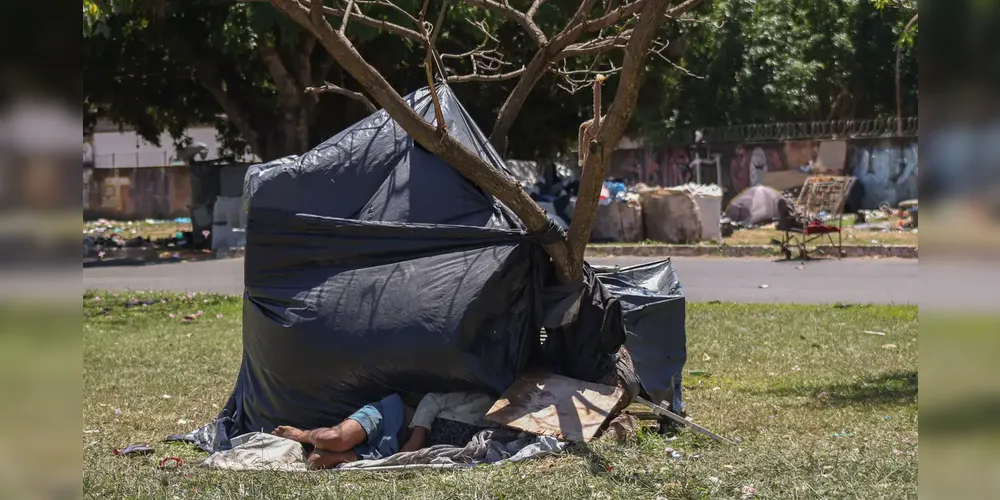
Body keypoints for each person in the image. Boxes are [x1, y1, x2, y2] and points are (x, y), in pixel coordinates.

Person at [272, 391, 496, 469]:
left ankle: (342, 455)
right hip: (390, 415)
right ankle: (303, 435)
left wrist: (407, 452)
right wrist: (418, 435)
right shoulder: (485, 402)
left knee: (316, 462)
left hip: (392, 449)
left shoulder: (497, 435)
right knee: (334, 438)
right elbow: (433, 399)